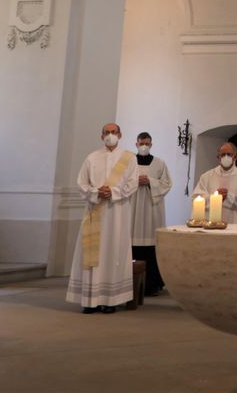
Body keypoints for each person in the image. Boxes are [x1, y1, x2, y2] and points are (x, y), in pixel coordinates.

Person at [65, 123, 137, 314]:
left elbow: (133, 183)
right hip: (94, 210)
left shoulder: (129, 158)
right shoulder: (92, 158)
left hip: (117, 212)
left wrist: (112, 191)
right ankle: (89, 300)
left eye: (113, 132)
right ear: (101, 136)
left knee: (113, 252)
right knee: (91, 254)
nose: (110, 135)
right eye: (107, 132)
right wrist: (96, 192)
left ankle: (110, 300)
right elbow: (81, 183)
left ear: (120, 134)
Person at [130, 132, 171, 297]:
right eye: (141, 143)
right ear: (136, 144)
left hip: (152, 209)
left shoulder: (159, 163)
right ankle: (130, 284)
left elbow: (167, 184)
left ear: (151, 144)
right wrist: (135, 182)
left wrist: (150, 182)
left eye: (147, 143)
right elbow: (120, 183)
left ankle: (152, 284)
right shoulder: (128, 163)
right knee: (132, 243)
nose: (144, 146)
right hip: (133, 208)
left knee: (151, 245)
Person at [194, 143, 237, 224]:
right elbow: (196, 199)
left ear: (235, 157)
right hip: (211, 224)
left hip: (234, 225)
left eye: (229, 154)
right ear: (218, 158)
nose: (226, 157)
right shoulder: (206, 176)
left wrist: (228, 197)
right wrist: (215, 198)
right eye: (223, 155)